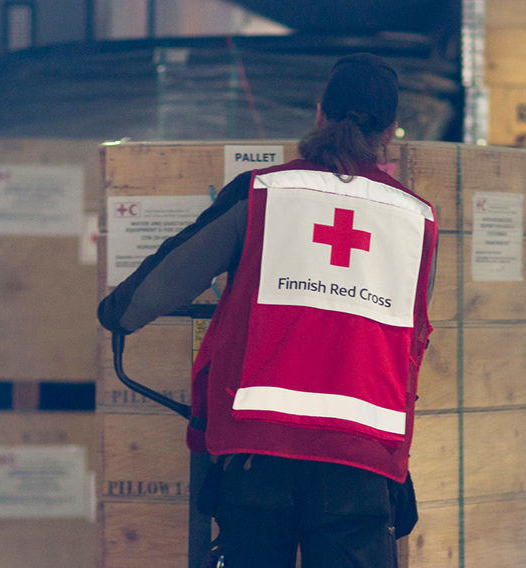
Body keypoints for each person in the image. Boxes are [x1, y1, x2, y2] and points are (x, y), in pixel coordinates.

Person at [98, 53, 436, 567]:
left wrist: (118, 313)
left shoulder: (263, 193)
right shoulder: (418, 220)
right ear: (391, 131)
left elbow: (163, 283)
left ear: (319, 113)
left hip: (259, 454)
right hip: (363, 460)